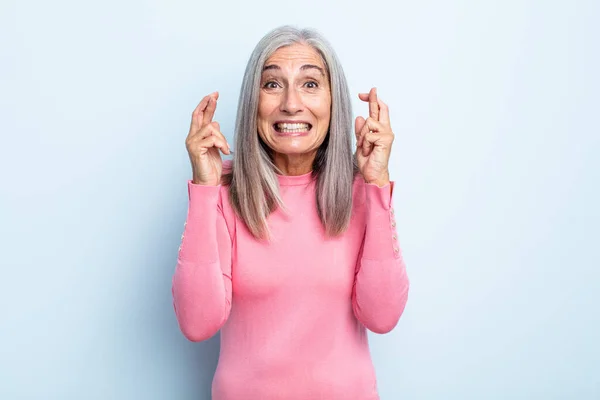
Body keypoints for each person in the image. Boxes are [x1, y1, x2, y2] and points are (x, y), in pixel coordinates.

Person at [171, 25, 409, 400]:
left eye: (310, 84)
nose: (292, 103)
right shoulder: (224, 191)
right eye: (273, 84)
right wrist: (204, 191)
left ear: (334, 102)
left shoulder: (361, 190)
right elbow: (197, 323)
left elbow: (382, 316)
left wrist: (377, 184)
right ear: (254, 101)